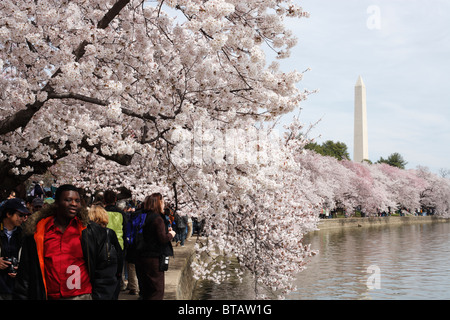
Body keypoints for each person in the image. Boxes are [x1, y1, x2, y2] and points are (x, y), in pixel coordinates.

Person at [14, 184, 119, 300]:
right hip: (48, 295)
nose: (74, 204)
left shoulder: (92, 232)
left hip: (82, 295)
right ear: (57, 203)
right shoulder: (37, 233)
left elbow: (106, 269)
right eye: (68, 200)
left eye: (77, 201)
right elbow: (25, 273)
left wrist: (98, 296)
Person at [135, 193, 176, 300]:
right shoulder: (157, 218)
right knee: (157, 290)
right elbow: (162, 238)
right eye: (162, 202)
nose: (164, 204)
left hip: (141, 256)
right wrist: (171, 235)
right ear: (158, 203)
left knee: (146, 289)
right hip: (154, 257)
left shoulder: (143, 216)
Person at [88, 205, 123, 299]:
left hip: (96, 276)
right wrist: (118, 273)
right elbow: (119, 254)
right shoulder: (110, 232)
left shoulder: (87, 233)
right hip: (109, 274)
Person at [0, 198, 28, 300]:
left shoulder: (24, 234)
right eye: (20, 215)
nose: (23, 218)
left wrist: (21, 268)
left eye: (25, 216)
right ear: (8, 214)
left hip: (16, 288)